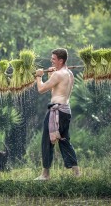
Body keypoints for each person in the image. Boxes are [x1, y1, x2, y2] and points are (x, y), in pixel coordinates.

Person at [34, 48, 80, 180]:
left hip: (56, 112)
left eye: (54, 59)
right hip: (65, 111)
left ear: (61, 60)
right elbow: (57, 91)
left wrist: (38, 76)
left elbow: (41, 89)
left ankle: (45, 174)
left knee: (46, 141)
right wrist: (49, 76)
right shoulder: (69, 73)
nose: (51, 61)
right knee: (65, 141)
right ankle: (77, 173)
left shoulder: (58, 74)